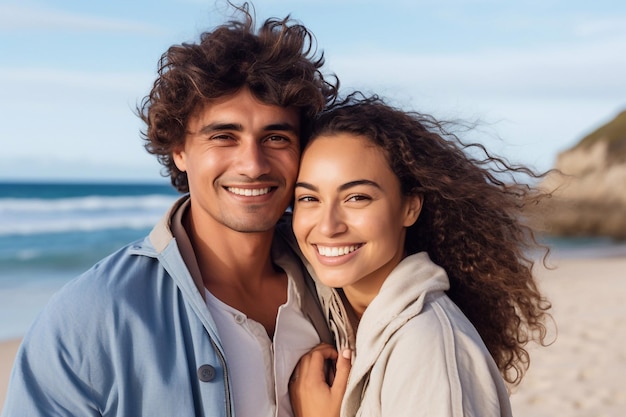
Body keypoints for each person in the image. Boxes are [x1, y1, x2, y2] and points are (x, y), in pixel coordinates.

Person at [1, 5, 339, 417]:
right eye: (224, 136)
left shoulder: (339, 289)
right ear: (179, 149)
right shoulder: (88, 319)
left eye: (276, 137)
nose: (253, 163)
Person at [288, 94, 553, 417]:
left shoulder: (428, 347)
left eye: (357, 197)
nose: (328, 226)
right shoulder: (348, 317)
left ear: (410, 207)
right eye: (308, 198)